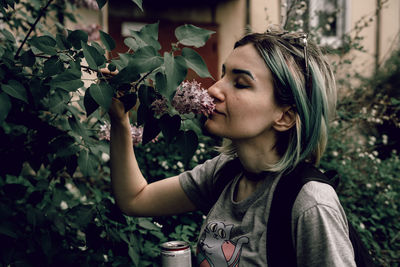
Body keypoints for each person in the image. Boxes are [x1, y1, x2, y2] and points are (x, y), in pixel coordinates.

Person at [108, 25, 356, 266]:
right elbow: (135, 199)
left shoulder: (310, 204)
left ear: (285, 116)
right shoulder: (224, 173)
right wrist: (120, 121)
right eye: (223, 75)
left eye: (240, 83)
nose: (214, 89)